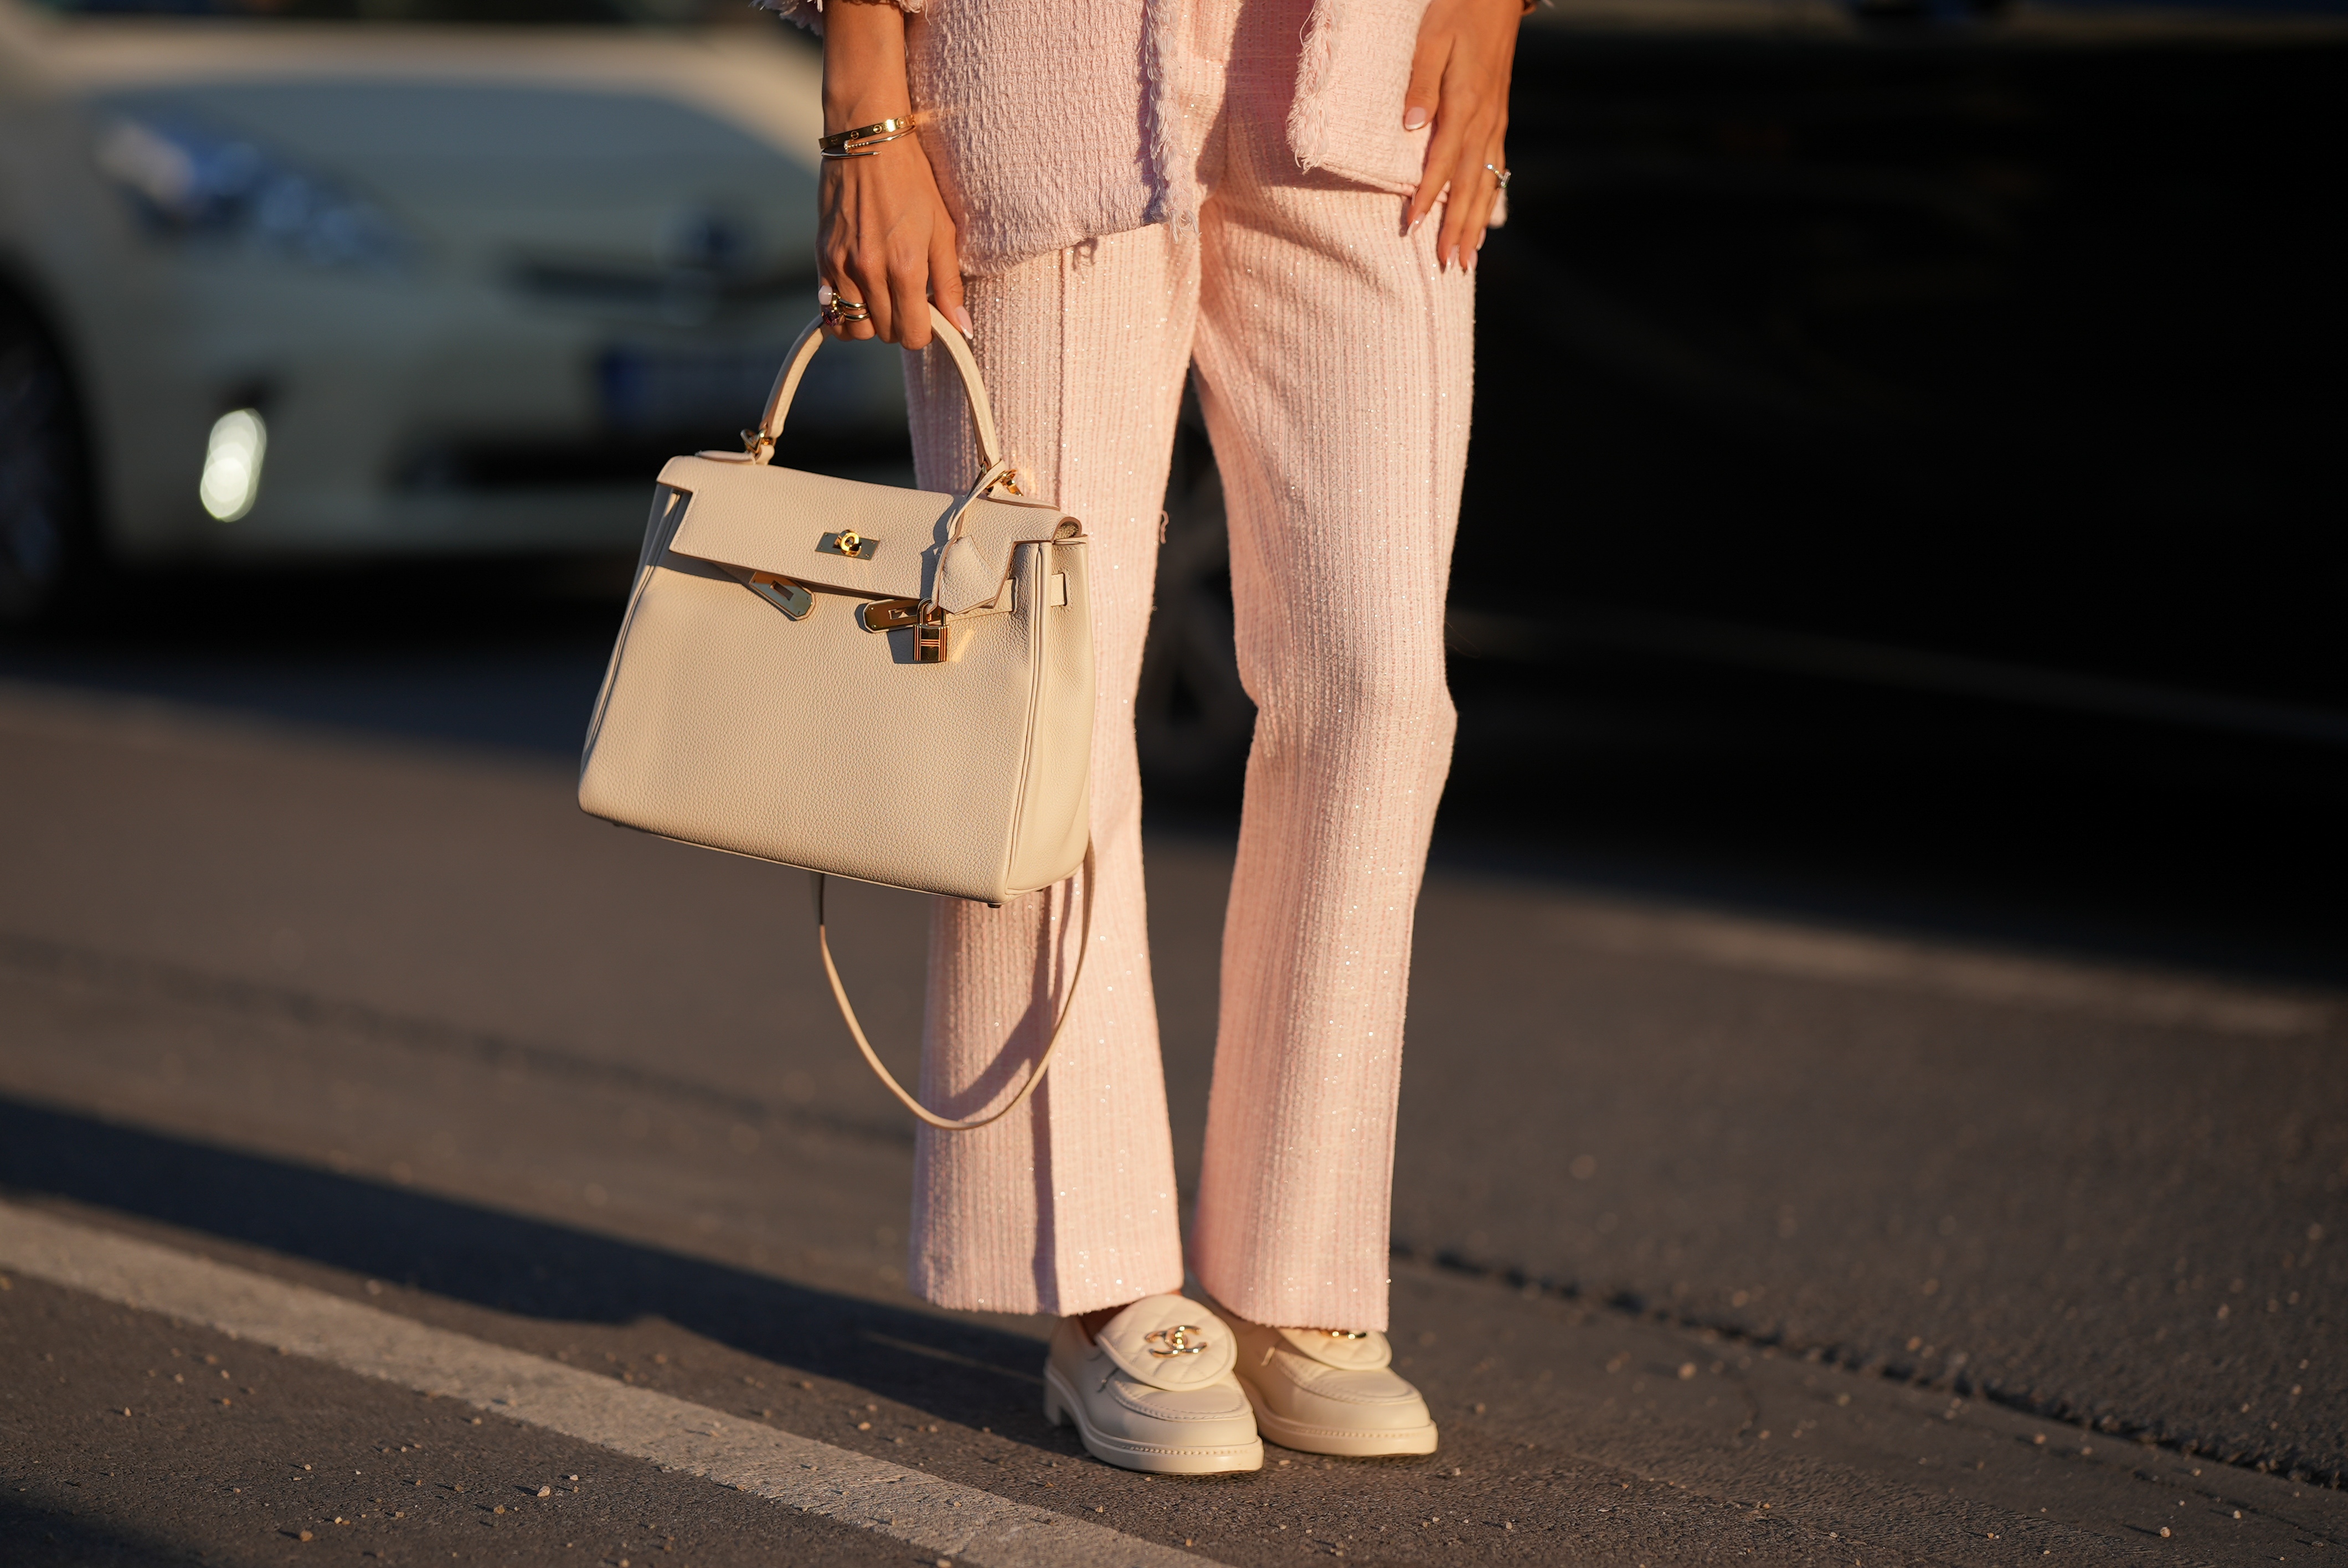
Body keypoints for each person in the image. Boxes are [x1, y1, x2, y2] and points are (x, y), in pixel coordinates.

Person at [761, 0, 1520, 1476]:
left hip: (1366, 79)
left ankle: (1298, 1275)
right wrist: (866, 99)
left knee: (1379, 685)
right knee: (1049, 693)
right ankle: (1095, 1275)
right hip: (1047, 76)